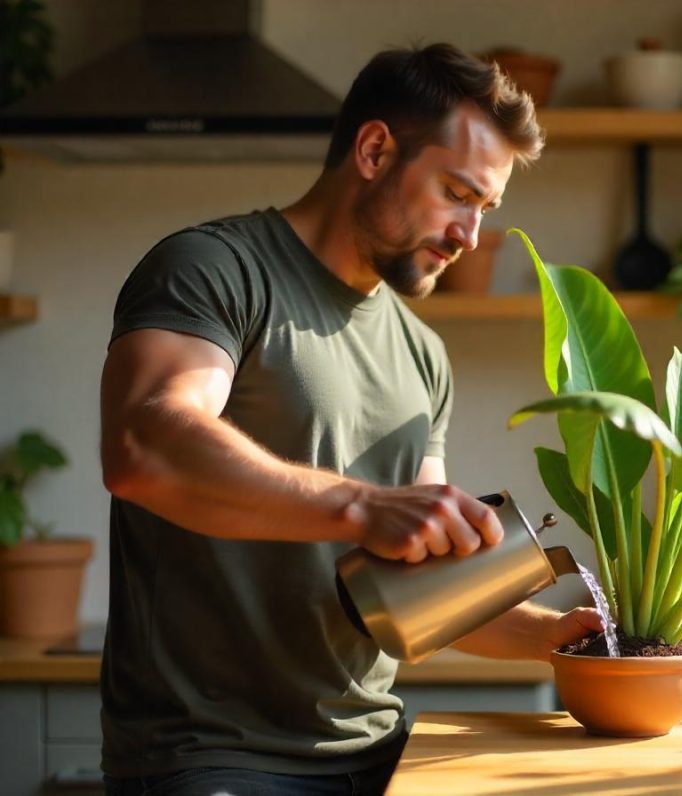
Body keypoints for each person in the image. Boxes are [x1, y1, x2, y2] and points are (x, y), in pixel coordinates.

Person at [98, 43, 602, 796]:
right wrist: (362, 505)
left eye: (485, 209)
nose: (470, 234)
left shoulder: (422, 353)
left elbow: (410, 598)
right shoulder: (214, 270)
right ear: (374, 150)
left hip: (377, 752)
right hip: (212, 760)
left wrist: (549, 634)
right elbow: (144, 443)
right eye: (457, 193)